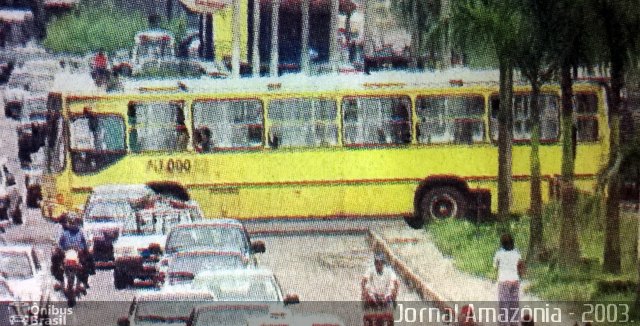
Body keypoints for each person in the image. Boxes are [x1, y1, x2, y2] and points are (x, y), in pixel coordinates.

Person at [52, 213, 91, 294]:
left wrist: (85, 250)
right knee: (55, 259)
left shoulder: (81, 232)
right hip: (65, 254)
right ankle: (59, 280)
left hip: (78, 255)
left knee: (87, 261)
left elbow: (86, 243)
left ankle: (84, 282)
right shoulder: (64, 233)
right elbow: (59, 244)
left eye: (75, 222)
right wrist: (58, 250)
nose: (73, 225)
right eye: (71, 222)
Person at [493, 233, 523, 326]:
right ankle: (514, 323)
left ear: (502, 243)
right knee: (514, 304)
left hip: (504, 280)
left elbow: (495, 266)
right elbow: (520, 266)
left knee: (504, 305)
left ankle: (504, 324)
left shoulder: (499, 253)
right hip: (515, 280)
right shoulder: (517, 253)